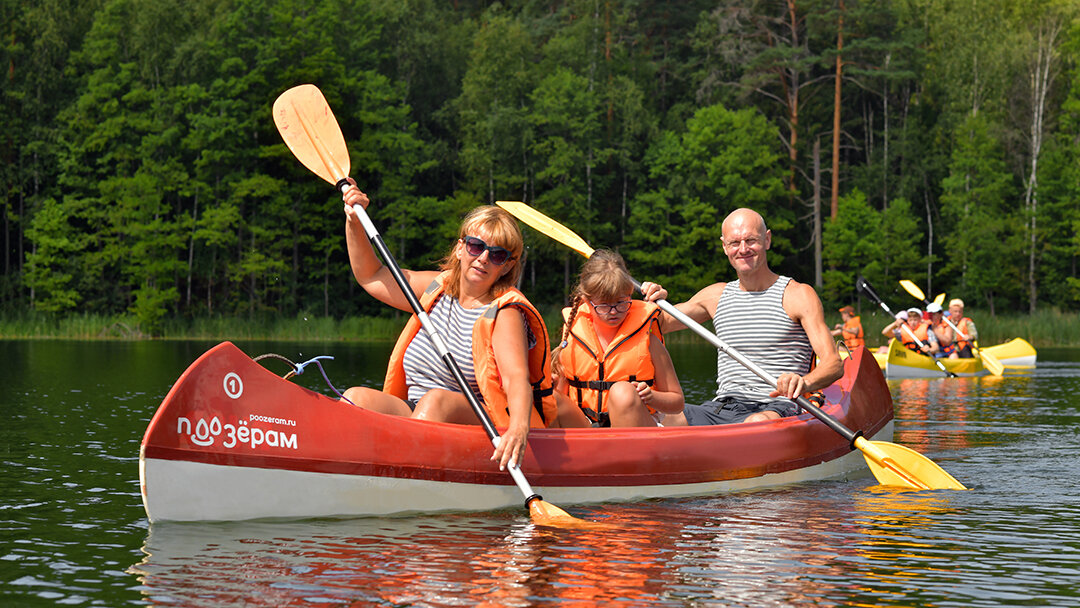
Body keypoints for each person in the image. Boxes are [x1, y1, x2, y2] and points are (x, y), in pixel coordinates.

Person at [339, 180, 556, 470]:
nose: (483, 258)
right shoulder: (435, 289)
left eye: (497, 254)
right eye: (476, 246)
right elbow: (371, 275)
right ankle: (343, 468)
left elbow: (516, 378)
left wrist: (518, 429)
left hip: (480, 421)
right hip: (417, 411)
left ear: (506, 266)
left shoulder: (504, 312)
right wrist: (354, 220)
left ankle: (402, 476)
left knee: (436, 402)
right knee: (354, 398)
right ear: (460, 248)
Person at [640, 208, 843, 426]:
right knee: (651, 415)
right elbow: (654, 325)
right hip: (724, 406)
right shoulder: (714, 296)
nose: (743, 249)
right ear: (724, 246)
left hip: (779, 405)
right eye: (735, 243)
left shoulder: (798, 295)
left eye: (751, 240)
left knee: (756, 421)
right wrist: (651, 304)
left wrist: (804, 382)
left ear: (767, 239)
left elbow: (833, 363)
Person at [550, 250, 684, 428]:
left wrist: (651, 397)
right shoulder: (571, 340)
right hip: (586, 427)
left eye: (621, 303)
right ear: (586, 302)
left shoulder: (649, 341)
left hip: (635, 430)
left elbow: (677, 402)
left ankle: (626, 454)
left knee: (622, 392)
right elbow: (561, 398)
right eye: (604, 305)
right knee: (547, 398)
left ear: (629, 295)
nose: (613, 312)